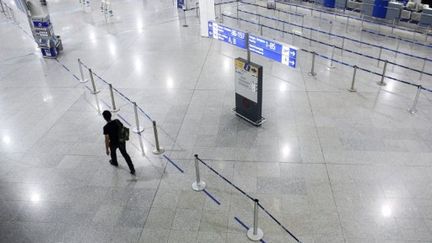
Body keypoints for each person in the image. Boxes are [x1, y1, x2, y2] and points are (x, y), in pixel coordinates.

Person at [102, 110, 135, 175]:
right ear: (110, 115)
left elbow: (106, 139)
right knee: (125, 154)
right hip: (121, 141)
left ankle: (114, 162)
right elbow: (122, 128)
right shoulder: (117, 121)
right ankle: (132, 169)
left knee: (113, 153)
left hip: (113, 143)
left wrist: (107, 149)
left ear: (104, 118)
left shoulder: (105, 127)